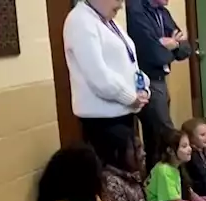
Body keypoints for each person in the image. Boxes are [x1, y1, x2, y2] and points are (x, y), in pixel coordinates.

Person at [64, 0, 150, 148]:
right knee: (113, 170)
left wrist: (143, 87)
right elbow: (99, 76)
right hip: (104, 122)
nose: (121, 6)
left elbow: (129, 63)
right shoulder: (80, 21)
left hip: (124, 113)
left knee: (130, 167)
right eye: (117, 0)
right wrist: (131, 97)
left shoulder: (108, 21)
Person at [126, 0, 191, 171]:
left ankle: (159, 183)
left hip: (161, 79)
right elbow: (153, 54)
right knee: (165, 136)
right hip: (147, 80)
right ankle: (170, 186)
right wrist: (165, 46)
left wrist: (171, 44)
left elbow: (186, 48)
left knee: (156, 137)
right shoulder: (136, 10)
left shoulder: (162, 12)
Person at [146, 129, 206, 201]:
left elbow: (190, 192)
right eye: (184, 146)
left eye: (188, 145)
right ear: (170, 151)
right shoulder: (164, 170)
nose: (190, 149)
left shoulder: (176, 167)